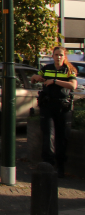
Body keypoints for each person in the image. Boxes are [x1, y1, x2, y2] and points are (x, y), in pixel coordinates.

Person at [30, 46, 77, 178]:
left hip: (63, 107)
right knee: (48, 135)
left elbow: (73, 85)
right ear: (53, 56)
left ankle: (60, 167)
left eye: (61, 55)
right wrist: (34, 77)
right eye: (56, 55)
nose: (58, 57)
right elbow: (34, 79)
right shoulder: (46, 68)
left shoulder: (69, 70)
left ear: (64, 56)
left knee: (62, 137)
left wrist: (55, 81)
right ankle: (48, 165)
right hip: (48, 106)